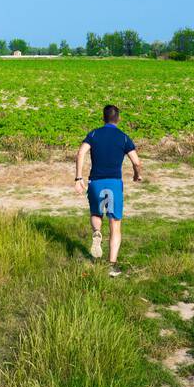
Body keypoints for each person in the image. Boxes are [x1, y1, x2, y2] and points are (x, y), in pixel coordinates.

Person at [74, 104, 142, 277]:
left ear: (103, 118)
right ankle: (112, 265)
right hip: (113, 183)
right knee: (115, 224)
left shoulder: (94, 134)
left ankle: (97, 232)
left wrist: (78, 178)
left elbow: (81, 153)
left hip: (95, 182)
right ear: (118, 119)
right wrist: (136, 175)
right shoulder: (123, 137)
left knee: (96, 215)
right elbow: (136, 161)